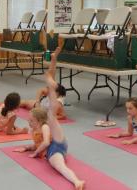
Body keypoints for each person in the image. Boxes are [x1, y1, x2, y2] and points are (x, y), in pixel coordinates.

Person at [39, 47, 85, 190]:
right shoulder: (44, 123)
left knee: (60, 167)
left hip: (55, 146)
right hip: (57, 142)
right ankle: (77, 181)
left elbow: (51, 75)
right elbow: (51, 74)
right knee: (50, 115)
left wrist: (34, 152)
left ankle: (77, 181)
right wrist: (54, 58)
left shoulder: (55, 105)